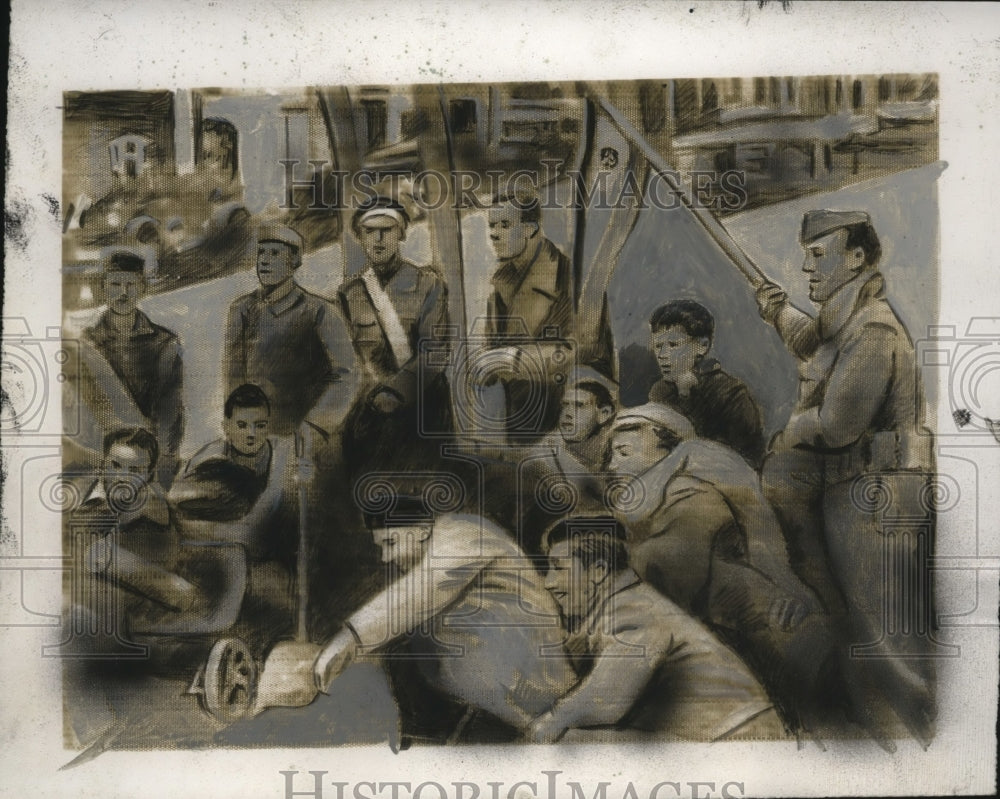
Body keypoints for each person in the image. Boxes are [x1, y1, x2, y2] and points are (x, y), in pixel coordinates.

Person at [755, 209, 936, 742]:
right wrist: (777, 313)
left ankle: (925, 750)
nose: (806, 267)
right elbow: (815, 343)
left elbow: (837, 425)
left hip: (880, 500)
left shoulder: (873, 328)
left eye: (819, 255)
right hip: (857, 496)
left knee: (890, 643)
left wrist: (790, 432)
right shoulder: (844, 319)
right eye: (806, 256)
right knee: (864, 638)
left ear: (856, 258)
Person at [607, 404, 840, 732]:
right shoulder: (645, 502)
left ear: (667, 449)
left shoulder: (690, 493)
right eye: (612, 454)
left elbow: (672, 571)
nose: (613, 464)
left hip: (762, 632)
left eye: (623, 452)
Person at [311, 488, 577, 743]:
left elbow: (421, 591)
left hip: (530, 682)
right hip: (495, 689)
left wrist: (349, 638)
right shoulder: (441, 546)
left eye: (391, 543)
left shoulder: (462, 535)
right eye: (381, 547)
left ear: (423, 530)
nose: (385, 557)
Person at [528, 515, 785, 743]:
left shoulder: (634, 612)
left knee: (563, 741)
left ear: (599, 571)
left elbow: (604, 702)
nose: (549, 583)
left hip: (739, 741)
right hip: (729, 738)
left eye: (558, 568)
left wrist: (547, 723)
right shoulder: (626, 606)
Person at [475, 190, 614, 441]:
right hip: (519, 419)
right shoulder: (501, 285)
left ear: (530, 229)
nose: (494, 233)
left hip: (570, 423)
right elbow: (491, 352)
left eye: (505, 225)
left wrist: (518, 359)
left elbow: (588, 351)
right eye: (492, 225)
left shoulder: (574, 281)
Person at [338, 197, 452, 475]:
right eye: (369, 231)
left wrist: (396, 391)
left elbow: (435, 353)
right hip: (373, 411)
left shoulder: (428, 284)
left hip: (423, 406)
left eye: (387, 230)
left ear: (401, 234)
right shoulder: (349, 294)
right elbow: (348, 360)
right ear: (360, 237)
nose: (378, 239)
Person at [224, 223, 359, 457]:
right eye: (261, 253)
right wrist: (235, 426)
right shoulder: (241, 309)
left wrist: (316, 425)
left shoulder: (320, 311)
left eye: (275, 254)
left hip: (302, 441)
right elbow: (233, 376)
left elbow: (348, 374)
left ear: (294, 261)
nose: (264, 261)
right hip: (254, 440)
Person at [169, 384, 298, 595]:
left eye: (260, 425)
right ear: (226, 427)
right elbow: (174, 504)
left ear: (268, 425)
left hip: (270, 547)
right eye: (242, 425)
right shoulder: (210, 457)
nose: (252, 434)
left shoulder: (282, 452)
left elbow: (259, 522)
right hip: (221, 554)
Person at [82, 248, 184, 487]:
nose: (123, 292)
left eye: (131, 284)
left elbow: (171, 415)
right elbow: (82, 415)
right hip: (103, 464)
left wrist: (161, 472)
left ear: (142, 288)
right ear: (103, 288)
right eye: (115, 284)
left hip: (147, 464)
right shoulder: (87, 344)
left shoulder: (164, 343)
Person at [514, 368, 619, 559]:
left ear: (604, 414)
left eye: (579, 406)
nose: (568, 414)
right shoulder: (541, 461)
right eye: (565, 405)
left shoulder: (621, 445)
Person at [647, 300, 764, 466]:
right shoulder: (659, 391)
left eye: (673, 345)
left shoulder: (729, 392)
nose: (662, 355)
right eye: (658, 346)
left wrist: (686, 395)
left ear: (702, 346)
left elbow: (746, 457)